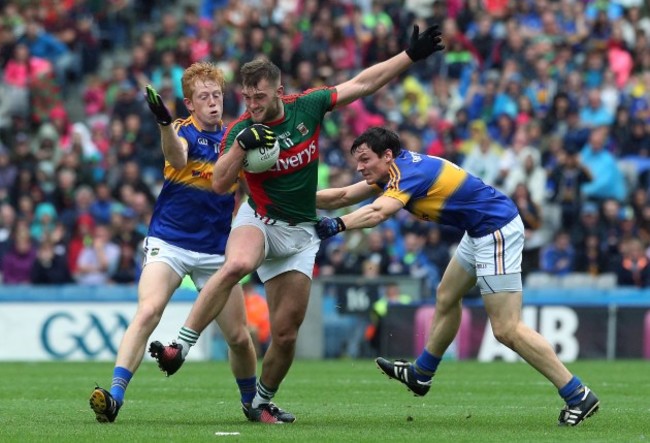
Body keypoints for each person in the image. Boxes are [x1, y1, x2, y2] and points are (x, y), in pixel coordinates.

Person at [148, 25, 445, 424]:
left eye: (260, 96)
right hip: (258, 219)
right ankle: (178, 348)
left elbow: (362, 84)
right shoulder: (239, 130)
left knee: (286, 334)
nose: (252, 104)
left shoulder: (308, 106)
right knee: (236, 265)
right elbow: (220, 183)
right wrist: (241, 145)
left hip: (301, 233)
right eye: (247, 97)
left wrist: (410, 55)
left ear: (278, 90)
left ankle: (261, 401)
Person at [314, 127, 599, 427]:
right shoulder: (392, 171)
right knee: (447, 295)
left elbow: (377, 214)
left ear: (386, 155)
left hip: (495, 230)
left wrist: (338, 225)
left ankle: (577, 393)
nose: (359, 167)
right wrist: (291, 199)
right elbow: (343, 195)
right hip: (479, 231)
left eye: (364, 159)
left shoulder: (407, 173)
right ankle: (421, 375)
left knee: (506, 329)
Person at [89, 62, 263, 424]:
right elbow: (176, 156)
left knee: (239, 338)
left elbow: (250, 189)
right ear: (190, 104)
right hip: (169, 241)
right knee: (149, 311)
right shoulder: (182, 131)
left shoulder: (237, 138)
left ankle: (252, 403)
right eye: (204, 97)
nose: (213, 102)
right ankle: (115, 395)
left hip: (217, 250)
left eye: (216, 95)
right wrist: (164, 124)